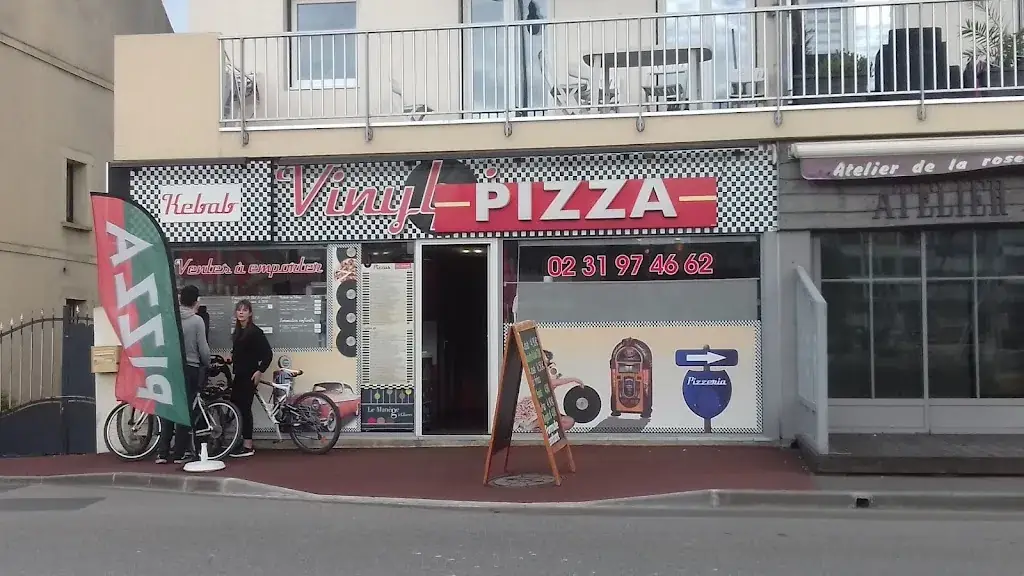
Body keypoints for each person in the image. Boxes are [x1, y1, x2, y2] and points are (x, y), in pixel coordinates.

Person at [156, 285, 211, 464]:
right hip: (190, 368)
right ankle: (179, 452)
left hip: (170, 368)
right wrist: (208, 362)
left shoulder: (169, 318)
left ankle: (162, 452)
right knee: (185, 409)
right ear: (196, 301)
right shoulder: (196, 321)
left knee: (169, 408)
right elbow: (203, 348)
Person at [225, 299, 272, 458]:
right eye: (239, 310)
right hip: (238, 374)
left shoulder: (255, 332)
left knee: (245, 409)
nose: (241, 313)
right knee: (236, 407)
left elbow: (267, 355)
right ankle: (240, 439)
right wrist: (231, 357)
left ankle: (248, 445)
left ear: (250, 313)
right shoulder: (238, 331)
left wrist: (260, 371)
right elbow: (240, 351)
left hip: (249, 375)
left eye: (245, 310)